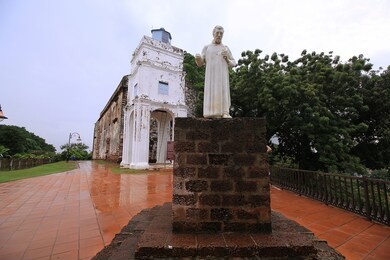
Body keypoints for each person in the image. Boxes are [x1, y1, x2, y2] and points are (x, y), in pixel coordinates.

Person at [195, 25, 236, 118]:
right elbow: (200, 63)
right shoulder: (207, 48)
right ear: (213, 34)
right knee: (211, 91)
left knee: (223, 91)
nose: (219, 35)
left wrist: (227, 59)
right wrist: (198, 58)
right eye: (217, 33)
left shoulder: (225, 48)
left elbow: (234, 63)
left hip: (222, 76)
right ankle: (209, 112)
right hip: (211, 77)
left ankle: (225, 112)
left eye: (221, 33)